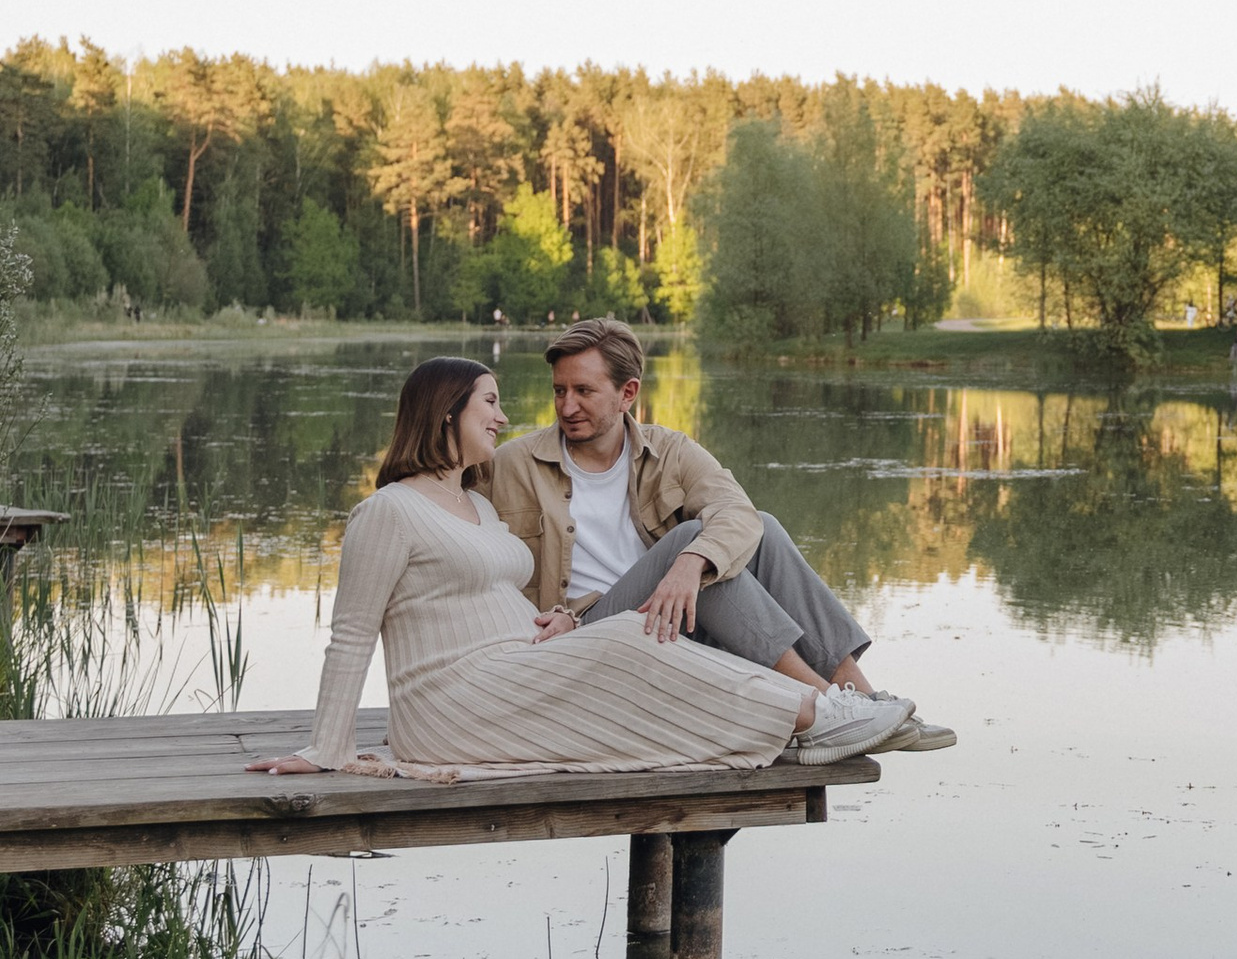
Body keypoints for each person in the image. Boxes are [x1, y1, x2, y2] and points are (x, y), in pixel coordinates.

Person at [248, 357, 904, 778]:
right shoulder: (388, 512)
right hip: (455, 699)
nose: (505, 417)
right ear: (447, 413)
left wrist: (563, 618)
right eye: (491, 404)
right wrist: (323, 749)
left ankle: (822, 710)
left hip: (525, 666)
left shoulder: (475, 500)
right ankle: (817, 713)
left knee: (701, 567)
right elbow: (353, 633)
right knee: (631, 634)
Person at [488, 319, 945, 749]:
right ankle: (829, 712)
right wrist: (687, 559)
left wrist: (691, 564)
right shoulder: (512, 465)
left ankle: (861, 703)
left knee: (761, 527)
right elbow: (437, 496)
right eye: (560, 391)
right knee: (694, 539)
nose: (567, 406)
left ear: (627, 393)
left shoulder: (668, 451)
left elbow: (738, 513)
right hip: (585, 638)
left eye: (583, 391)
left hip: (662, 625)